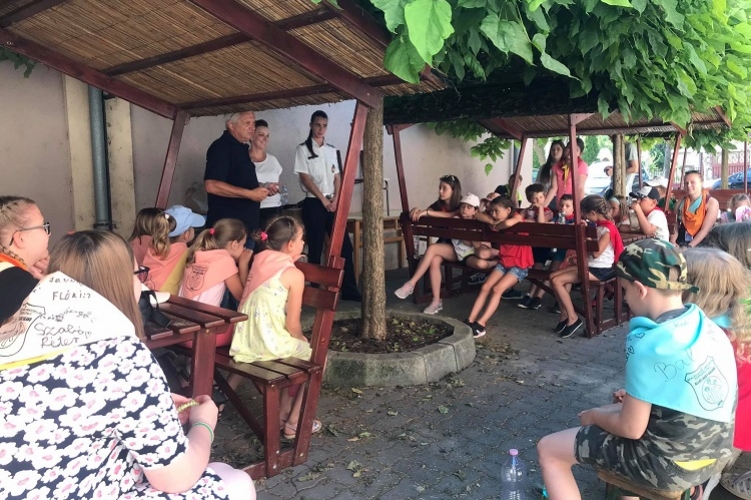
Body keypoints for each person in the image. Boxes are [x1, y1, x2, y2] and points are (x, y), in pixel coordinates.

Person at [0, 230, 255, 499]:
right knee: (236, 482)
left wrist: (153, 402)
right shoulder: (121, 357)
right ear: (121, 283)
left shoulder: (11, 335)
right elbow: (177, 477)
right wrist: (203, 424)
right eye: (138, 274)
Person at [538, 239, 737, 500]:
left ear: (640, 289)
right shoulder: (705, 325)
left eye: (624, 290)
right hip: (711, 456)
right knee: (610, 410)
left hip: (667, 466)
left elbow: (631, 428)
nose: (625, 298)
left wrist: (593, 416)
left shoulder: (649, 340)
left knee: (550, 450)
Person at [229, 216, 321, 440]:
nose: (303, 243)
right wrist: (303, 339)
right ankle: (294, 421)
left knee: (295, 353)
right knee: (318, 358)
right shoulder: (294, 275)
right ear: (290, 245)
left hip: (244, 342)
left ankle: (282, 413)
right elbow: (292, 324)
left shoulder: (259, 260)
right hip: (269, 345)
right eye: (301, 239)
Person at [683, 248, 751, 499]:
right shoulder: (742, 320)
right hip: (742, 422)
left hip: (722, 428)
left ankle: (698, 487)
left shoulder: (705, 335)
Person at [294, 110, 360, 301]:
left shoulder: (331, 150)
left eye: (324, 125)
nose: (321, 129)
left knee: (344, 246)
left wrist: (336, 199)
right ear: (311, 125)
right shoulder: (303, 149)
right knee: (315, 247)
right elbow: (305, 178)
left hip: (332, 202)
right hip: (314, 202)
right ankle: (315, 291)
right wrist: (323, 200)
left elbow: (337, 177)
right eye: (317, 125)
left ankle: (349, 290)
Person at [393, 194, 498, 314]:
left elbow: (478, 245)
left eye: (469, 207)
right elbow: (444, 215)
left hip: (471, 253)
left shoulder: (478, 221)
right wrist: (425, 212)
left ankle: (495, 262)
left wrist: (471, 236)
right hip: (456, 251)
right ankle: (422, 292)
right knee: (433, 253)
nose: (464, 209)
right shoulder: (456, 216)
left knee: (481, 264)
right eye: (463, 206)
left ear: (475, 210)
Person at [550, 195, 623, 339]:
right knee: (552, 276)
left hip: (601, 270)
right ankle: (564, 315)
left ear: (593, 213)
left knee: (557, 281)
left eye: (586, 214)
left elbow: (596, 253)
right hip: (590, 266)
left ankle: (572, 318)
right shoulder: (600, 226)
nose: (586, 217)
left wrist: (586, 238)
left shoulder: (607, 230)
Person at [465, 196, 534, 339]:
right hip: (504, 261)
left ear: (508, 210)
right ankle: (470, 320)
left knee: (497, 289)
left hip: (519, 265)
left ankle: (481, 324)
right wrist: (492, 220)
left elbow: (508, 222)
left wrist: (496, 225)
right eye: (491, 211)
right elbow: (477, 214)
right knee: (485, 286)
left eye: (496, 211)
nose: (493, 214)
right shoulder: (496, 220)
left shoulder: (516, 218)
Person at [204, 111, 272, 249]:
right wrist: (250, 194)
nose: (252, 127)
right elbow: (211, 185)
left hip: (244, 229)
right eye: (247, 123)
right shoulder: (221, 147)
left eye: (253, 123)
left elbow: (237, 181)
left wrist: (261, 188)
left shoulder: (241, 148)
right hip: (229, 233)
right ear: (231, 125)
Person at [180, 219, 252, 346]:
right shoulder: (224, 261)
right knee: (247, 328)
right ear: (234, 244)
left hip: (181, 330)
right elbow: (243, 297)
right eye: (243, 244)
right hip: (201, 335)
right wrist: (243, 264)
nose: (244, 249)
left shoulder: (197, 256)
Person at [519, 194, 576, 311]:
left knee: (562, 274)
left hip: (571, 253)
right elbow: (545, 225)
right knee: (551, 271)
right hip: (559, 250)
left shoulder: (575, 219)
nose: (563, 208)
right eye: (561, 205)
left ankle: (560, 302)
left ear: (574, 208)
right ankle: (538, 297)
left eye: (567, 206)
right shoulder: (558, 218)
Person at [0, 196, 50, 325]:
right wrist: (49, 286)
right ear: (20, 238)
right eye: (43, 226)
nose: (48, 233)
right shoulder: (18, 283)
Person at [144, 205, 205, 295]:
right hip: (167, 300)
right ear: (186, 234)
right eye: (192, 227)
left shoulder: (152, 247)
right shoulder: (188, 253)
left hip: (143, 295)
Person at [250, 119, 286, 227]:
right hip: (254, 208)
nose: (265, 139)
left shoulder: (273, 160)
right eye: (261, 135)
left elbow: (277, 183)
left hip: (275, 207)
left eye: (267, 136)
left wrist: (275, 190)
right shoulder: (244, 160)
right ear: (251, 136)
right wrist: (264, 186)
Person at [672, 170, 719, 248]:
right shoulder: (680, 203)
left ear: (701, 183)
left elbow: (705, 229)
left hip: (703, 243)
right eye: (686, 183)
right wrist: (673, 242)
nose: (689, 185)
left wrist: (689, 246)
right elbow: (675, 225)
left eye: (692, 182)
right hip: (681, 240)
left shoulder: (711, 203)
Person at [543, 138, 588, 208]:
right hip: (560, 206)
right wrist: (543, 206)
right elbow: (553, 188)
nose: (571, 151)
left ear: (580, 154)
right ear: (565, 149)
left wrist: (580, 209)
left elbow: (580, 188)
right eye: (569, 148)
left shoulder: (581, 165)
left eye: (576, 149)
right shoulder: (556, 166)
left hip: (573, 207)